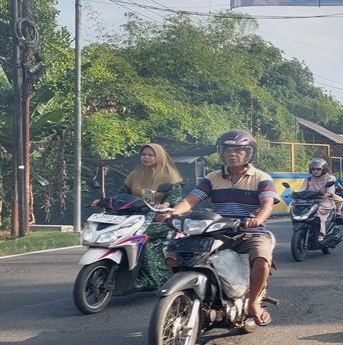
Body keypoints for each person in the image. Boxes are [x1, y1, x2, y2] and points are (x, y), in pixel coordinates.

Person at [159, 130, 279, 326]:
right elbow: (191, 200)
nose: (233, 153)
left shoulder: (260, 177)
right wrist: (173, 213)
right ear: (221, 153)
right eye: (227, 149)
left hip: (248, 231)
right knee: (175, 254)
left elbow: (267, 204)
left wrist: (257, 219)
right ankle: (182, 297)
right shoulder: (212, 177)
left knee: (261, 258)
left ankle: (254, 302)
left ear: (249, 153)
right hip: (215, 230)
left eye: (239, 150)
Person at [110, 143, 183, 290]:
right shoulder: (135, 174)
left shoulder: (170, 175)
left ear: (159, 156)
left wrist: (165, 204)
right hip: (135, 216)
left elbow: (175, 196)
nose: (146, 157)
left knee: (141, 238)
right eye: (144, 154)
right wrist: (106, 201)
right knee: (117, 236)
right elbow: (122, 192)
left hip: (161, 219)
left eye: (151, 155)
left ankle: (152, 279)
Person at [299, 157, 343, 237]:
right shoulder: (308, 179)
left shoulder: (329, 179)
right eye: (313, 169)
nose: (315, 171)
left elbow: (330, 190)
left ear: (323, 169)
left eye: (318, 169)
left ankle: (321, 233)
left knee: (318, 214)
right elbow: (302, 189)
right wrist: (294, 194)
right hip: (310, 202)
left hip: (325, 201)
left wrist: (328, 194)